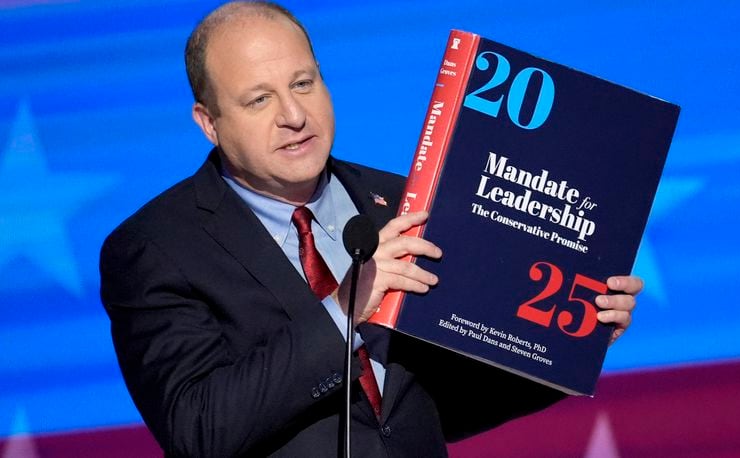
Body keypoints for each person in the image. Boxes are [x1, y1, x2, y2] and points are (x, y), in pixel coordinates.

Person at [99, 2, 643, 457]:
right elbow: (199, 430)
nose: (294, 114)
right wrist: (344, 311)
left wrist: (572, 336)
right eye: (259, 99)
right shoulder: (155, 249)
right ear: (208, 122)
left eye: (303, 83)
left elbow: (440, 404)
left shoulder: (409, 201)